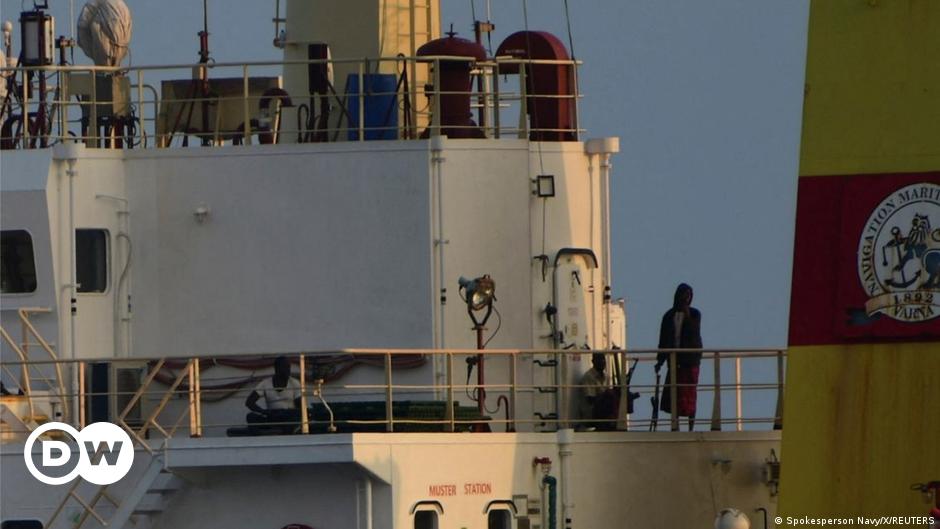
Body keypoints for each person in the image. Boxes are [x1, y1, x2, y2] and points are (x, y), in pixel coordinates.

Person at [655, 283, 703, 431]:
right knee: (674, 395)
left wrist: (687, 315)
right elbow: (663, 339)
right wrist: (660, 360)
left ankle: (690, 427)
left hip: (690, 360)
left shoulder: (695, 314)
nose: (686, 299)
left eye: (689, 295)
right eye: (684, 295)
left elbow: (694, 333)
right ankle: (675, 425)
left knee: (690, 395)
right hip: (675, 360)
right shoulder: (668, 316)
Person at [245, 356, 303, 433]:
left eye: (288, 367)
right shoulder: (265, 383)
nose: (288, 370)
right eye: (285, 367)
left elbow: (300, 405)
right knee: (251, 417)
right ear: (277, 368)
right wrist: (264, 412)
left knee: (295, 417)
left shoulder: (294, 382)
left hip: (288, 417)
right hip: (272, 416)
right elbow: (249, 402)